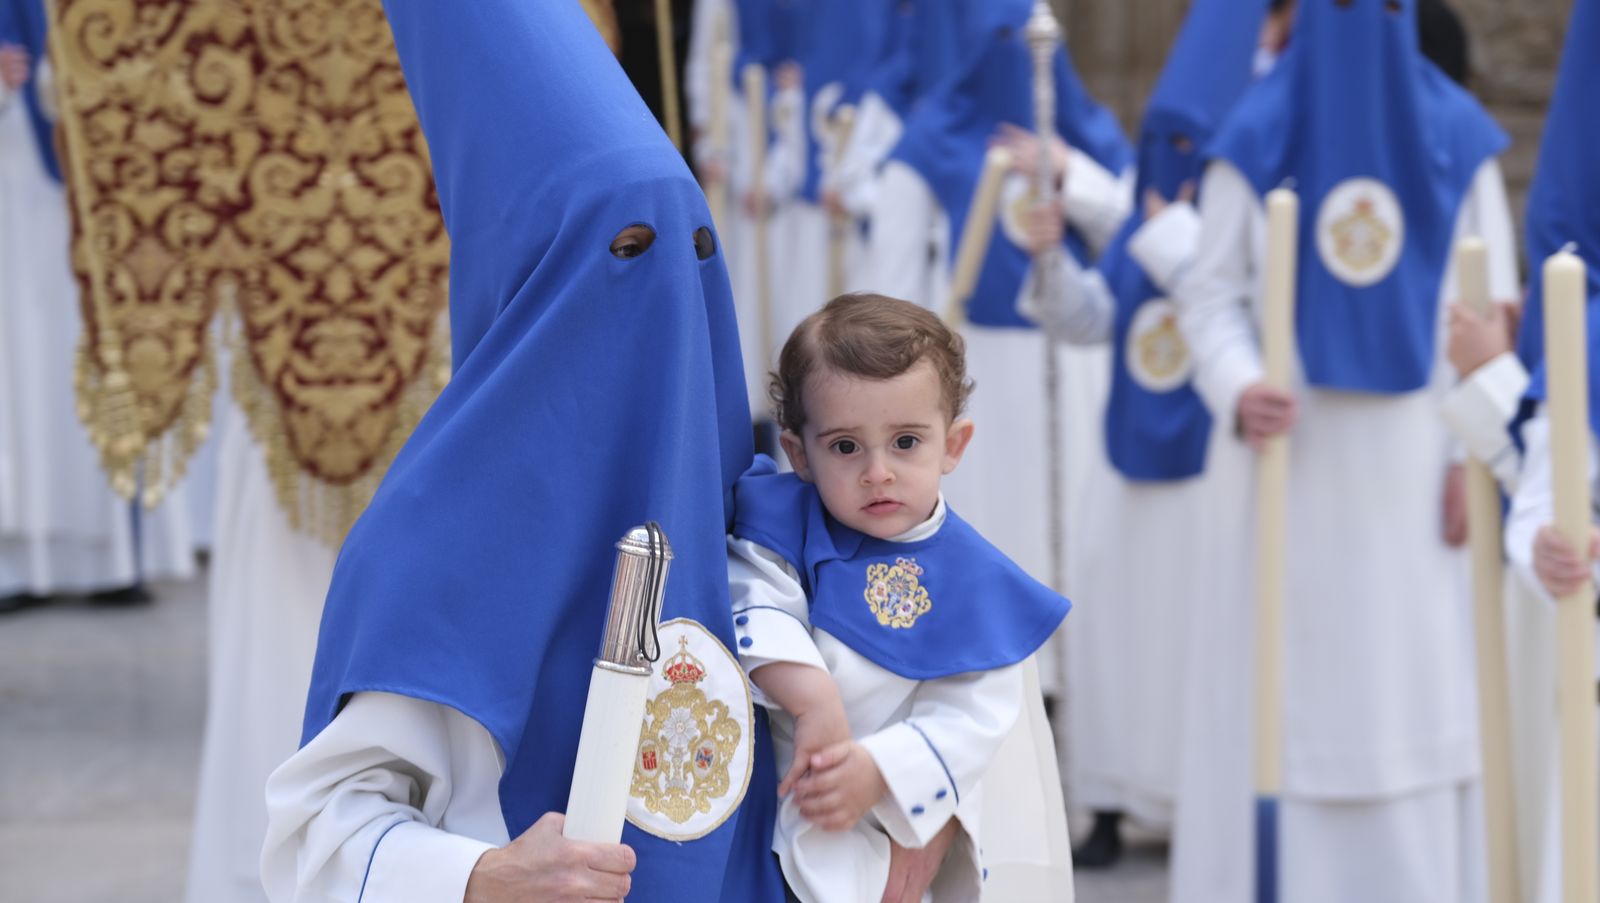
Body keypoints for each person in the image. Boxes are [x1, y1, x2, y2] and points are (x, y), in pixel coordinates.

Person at [261, 2, 787, 901]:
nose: (666, 294)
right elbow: (316, 834)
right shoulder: (436, 536)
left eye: (694, 252)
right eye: (626, 251)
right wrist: (481, 873)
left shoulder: (758, 502)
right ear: (536, 288)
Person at [1166, 0, 1516, 899]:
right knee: (1281, 693)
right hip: (1291, 462)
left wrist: (1467, 450)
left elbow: (1489, 306)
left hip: (1417, 464)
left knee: (1416, 692)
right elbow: (1209, 295)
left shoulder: (1456, 135)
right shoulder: (1257, 130)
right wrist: (1243, 383)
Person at [1013, 0, 1266, 868]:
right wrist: (1051, 267)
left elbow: (1229, 303)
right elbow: (1093, 321)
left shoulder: (1239, 223)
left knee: (1191, 634)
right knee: (1117, 632)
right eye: (1164, 140)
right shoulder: (1141, 224)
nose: (1175, 164)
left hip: (1206, 472)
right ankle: (1111, 799)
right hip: (1124, 469)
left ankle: (1194, 802)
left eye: (1193, 146)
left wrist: (1159, 229)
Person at [728, 292, 1072, 901]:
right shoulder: (784, 527)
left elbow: (973, 714)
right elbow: (754, 599)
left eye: (906, 442)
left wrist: (881, 771)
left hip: (886, 818)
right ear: (798, 454)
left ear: (954, 445)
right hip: (767, 802)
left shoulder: (976, 582)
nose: (877, 472)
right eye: (845, 447)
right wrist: (812, 699)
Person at [0, 0, 194, 610]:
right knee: (22, 361)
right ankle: (21, 562)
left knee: (105, 351)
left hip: (113, 172)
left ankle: (115, 556)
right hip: (16, 173)